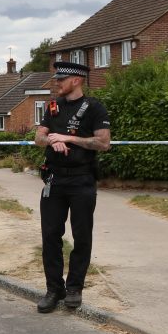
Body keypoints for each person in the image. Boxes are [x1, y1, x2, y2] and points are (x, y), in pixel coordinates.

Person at [34, 60, 111, 313]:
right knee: (50, 236)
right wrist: (50, 142)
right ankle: (54, 289)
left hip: (82, 180)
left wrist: (69, 138)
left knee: (82, 236)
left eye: (61, 80)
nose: (56, 83)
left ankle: (75, 288)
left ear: (76, 80)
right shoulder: (53, 107)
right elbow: (39, 137)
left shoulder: (95, 108)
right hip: (54, 179)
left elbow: (103, 143)